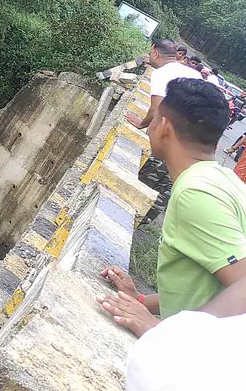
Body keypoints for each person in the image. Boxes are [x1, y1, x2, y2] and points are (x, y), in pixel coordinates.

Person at [98, 78, 246, 338]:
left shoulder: (195, 193)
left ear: (164, 127)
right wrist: (143, 301)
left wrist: (164, 336)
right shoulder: (223, 179)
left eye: (154, 118)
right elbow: (204, 282)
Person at [126, 40, 201, 130]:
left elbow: (156, 108)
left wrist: (141, 124)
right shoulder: (194, 73)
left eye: (150, 53)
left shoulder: (161, 73)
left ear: (155, 54)